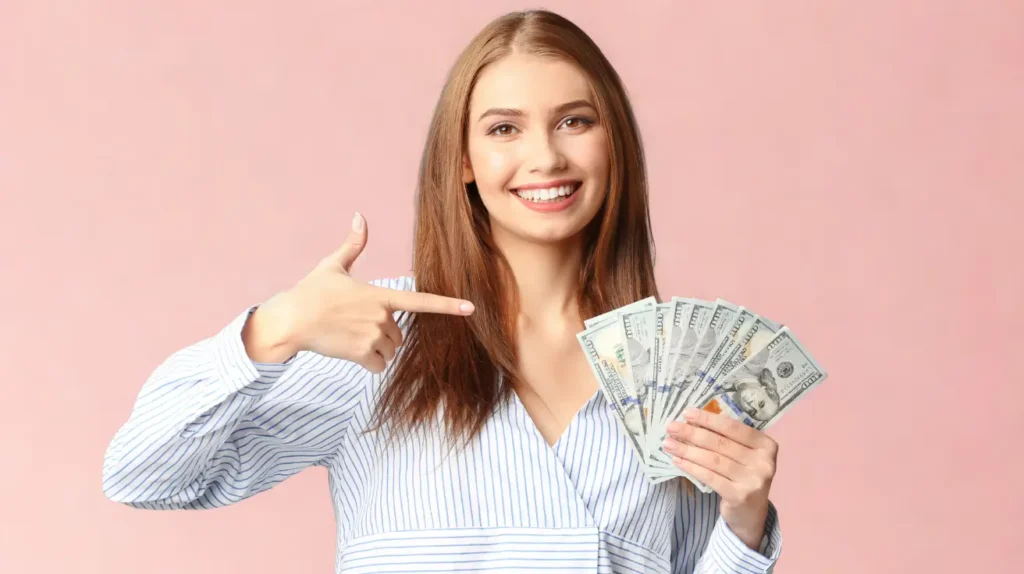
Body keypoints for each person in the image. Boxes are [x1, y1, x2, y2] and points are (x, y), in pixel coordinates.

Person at [102, 9, 784, 573]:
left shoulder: (677, 367)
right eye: (504, 128)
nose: (545, 157)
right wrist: (275, 328)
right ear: (462, 159)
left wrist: (745, 526)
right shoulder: (376, 336)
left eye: (576, 121)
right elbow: (144, 474)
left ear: (616, 144)